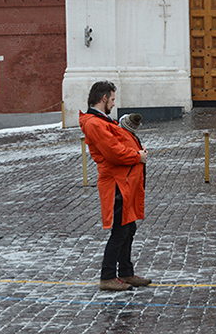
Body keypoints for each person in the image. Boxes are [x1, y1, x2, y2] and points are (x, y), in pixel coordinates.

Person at [79, 81, 151, 291]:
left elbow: (118, 143)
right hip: (115, 184)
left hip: (123, 182)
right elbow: (113, 152)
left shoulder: (101, 120)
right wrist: (137, 156)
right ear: (103, 99)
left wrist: (136, 148)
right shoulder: (94, 123)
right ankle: (107, 276)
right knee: (120, 230)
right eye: (111, 99)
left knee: (128, 228)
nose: (113, 103)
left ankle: (126, 273)